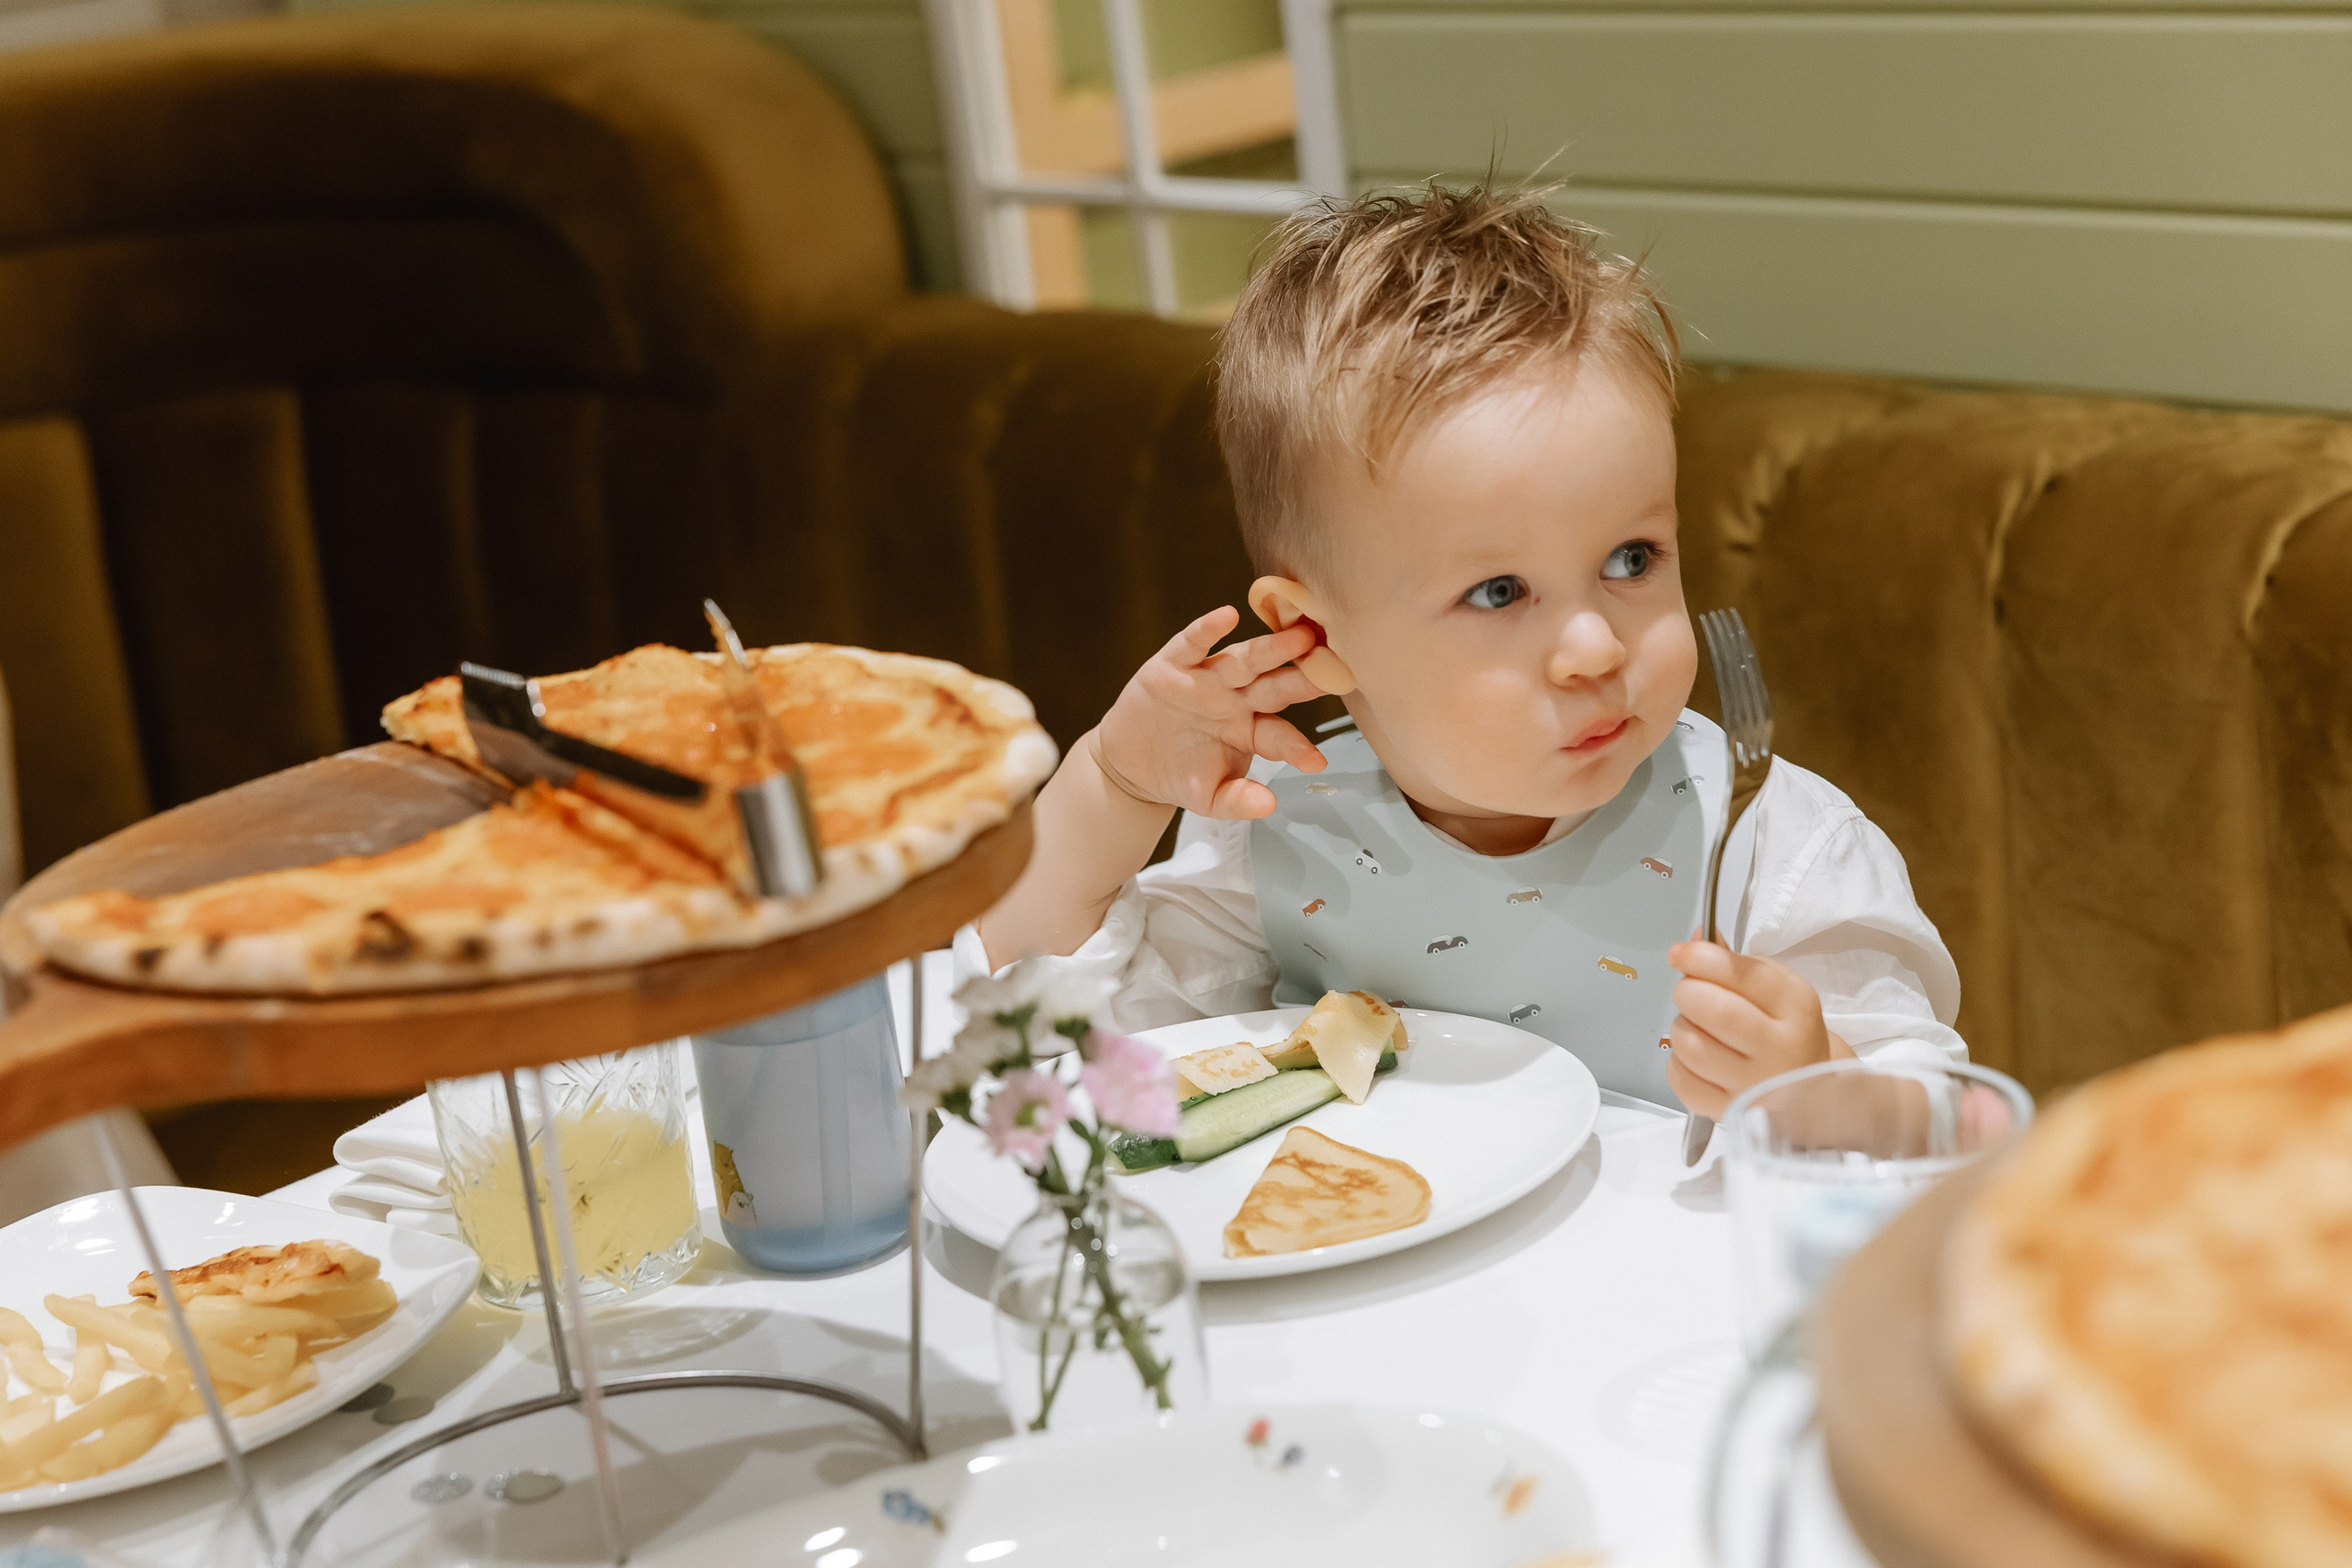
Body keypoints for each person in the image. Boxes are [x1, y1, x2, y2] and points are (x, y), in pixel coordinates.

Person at [962, 180, 1962, 1119]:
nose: (1593, 647)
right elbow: (1025, 1045)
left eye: (1631, 558)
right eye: (1499, 591)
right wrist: (1111, 785)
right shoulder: (1279, 837)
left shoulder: (1768, 847)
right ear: (1315, 632)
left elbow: (1950, 1125)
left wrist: (1828, 1090)